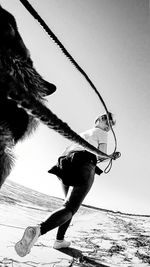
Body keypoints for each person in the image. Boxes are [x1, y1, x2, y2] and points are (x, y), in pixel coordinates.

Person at [15, 112, 120, 257]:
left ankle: (59, 240)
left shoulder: (83, 134)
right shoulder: (102, 133)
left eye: (111, 125)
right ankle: (39, 229)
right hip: (84, 163)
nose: (109, 126)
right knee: (71, 207)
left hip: (64, 162)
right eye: (108, 122)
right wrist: (110, 156)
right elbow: (101, 154)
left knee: (67, 204)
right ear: (99, 121)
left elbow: (76, 151)